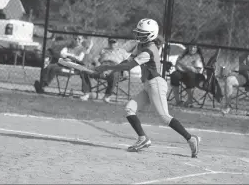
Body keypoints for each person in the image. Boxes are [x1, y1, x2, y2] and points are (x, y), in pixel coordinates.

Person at [95, 18, 200, 157]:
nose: (139, 35)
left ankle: (191, 138)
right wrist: (111, 70)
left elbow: (129, 66)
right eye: (138, 32)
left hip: (156, 84)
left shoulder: (149, 50)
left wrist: (107, 66)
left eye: (142, 33)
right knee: (130, 109)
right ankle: (143, 139)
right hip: (148, 85)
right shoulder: (140, 46)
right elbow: (127, 61)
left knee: (164, 117)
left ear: (151, 35)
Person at [222, 34, 249, 116]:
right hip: (244, 76)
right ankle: (228, 106)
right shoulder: (246, 53)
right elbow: (242, 67)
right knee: (229, 80)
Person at [79, 38, 131, 103]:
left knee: (114, 74)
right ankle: (86, 93)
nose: (112, 44)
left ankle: (107, 96)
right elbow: (95, 58)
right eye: (110, 42)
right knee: (84, 70)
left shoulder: (122, 51)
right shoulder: (103, 50)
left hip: (115, 68)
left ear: (117, 43)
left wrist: (125, 70)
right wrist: (97, 63)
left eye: (114, 42)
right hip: (102, 66)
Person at [170, 42, 205, 107]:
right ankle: (178, 101)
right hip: (181, 72)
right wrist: (187, 67)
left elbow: (197, 70)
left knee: (190, 75)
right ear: (188, 47)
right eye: (191, 47)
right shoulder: (183, 54)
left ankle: (190, 99)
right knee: (174, 75)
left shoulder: (198, 57)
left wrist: (185, 66)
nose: (192, 49)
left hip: (193, 75)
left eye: (194, 47)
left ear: (197, 49)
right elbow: (177, 65)